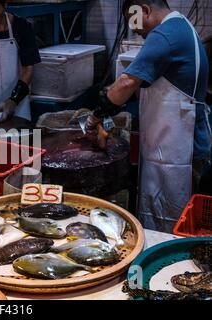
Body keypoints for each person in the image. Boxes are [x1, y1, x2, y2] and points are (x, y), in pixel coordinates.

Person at [85, 0, 211, 233]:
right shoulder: (181, 26)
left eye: (134, 21)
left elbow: (126, 81)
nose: (136, 31)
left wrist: (96, 117)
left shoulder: (164, 34)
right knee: (168, 211)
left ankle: (165, 261)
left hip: (179, 148)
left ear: (144, 9)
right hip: (179, 139)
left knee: (171, 217)